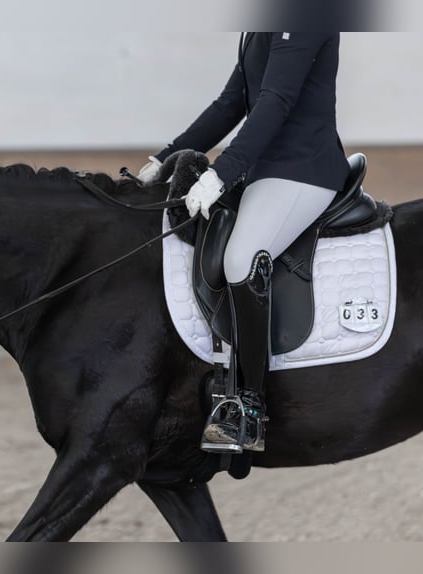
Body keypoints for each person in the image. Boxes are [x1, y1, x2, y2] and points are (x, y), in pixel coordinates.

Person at [139, 33, 350, 453]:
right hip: (263, 169)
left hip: (302, 169)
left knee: (241, 260)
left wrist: (220, 172)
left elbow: (276, 100)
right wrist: (167, 158)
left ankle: (250, 407)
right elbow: (230, 103)